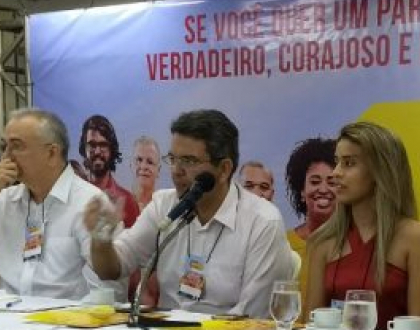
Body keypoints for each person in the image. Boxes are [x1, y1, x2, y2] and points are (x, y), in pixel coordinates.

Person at [87, 109, 293, 317]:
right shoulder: (164, 207)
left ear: (224, 169)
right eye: (173, 159)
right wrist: (100, 239)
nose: (176, 170)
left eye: (189, 161)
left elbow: (251, 318)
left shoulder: (263, 222)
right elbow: (111, 269)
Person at [0, 107, 117, 300]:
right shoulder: (2, 201)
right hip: (5, 313)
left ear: (52, 153)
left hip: (66, 315)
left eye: (17, 146)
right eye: (3, 147)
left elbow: (107, 288)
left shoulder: (90, 203)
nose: (6, 157)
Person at [303, 122, 420, 329]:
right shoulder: (323, 240)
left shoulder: (415, 238)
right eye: (337, 162)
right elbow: (310, 325)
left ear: (380, 171)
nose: (335, 173)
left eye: (349, 163)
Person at [72, 114, 141, 228]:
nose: (97, 151)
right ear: (84, 148)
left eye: (103, 145)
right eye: (92, 145)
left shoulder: (128, 202)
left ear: (112, 149)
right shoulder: (72, 196)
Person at [284, 137, 337, 261]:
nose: (323, 190)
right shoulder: (281, 246)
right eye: (315, 182)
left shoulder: (360, 246)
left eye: (332, 183)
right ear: (302, 191)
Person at [130, 135, 161, 210]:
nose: (143, 166)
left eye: (150, 162)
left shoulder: (163, 208)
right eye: (139, 160)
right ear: (131, 165)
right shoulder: (120, 205)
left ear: (158, 170)